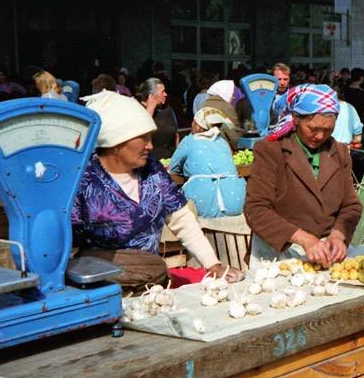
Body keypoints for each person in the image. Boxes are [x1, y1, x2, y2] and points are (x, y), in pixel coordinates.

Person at [71, 91, 241, 290]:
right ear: (115, 142)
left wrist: (214, 265)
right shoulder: (84, 180)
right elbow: (66, 243)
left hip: (151, 285)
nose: (150, 146)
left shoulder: (152, 170)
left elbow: (182, 220)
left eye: (150, 138)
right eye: (142, 139)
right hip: (101, 290)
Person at [244, 84, 362, 267]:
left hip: (325, 253)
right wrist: (304, 239)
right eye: (313, 128)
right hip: (279, 254)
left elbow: (351, 205)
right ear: (296, 119)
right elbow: (256, 209)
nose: (320, 136)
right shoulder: (271, 150)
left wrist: (339, 234)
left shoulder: (339, 152)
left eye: (328, 129)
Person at [168, 106, 246, 218]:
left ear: (199, 127)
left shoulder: (189, 141)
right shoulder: (222, 142)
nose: (191, 125)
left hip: (204, 204)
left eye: (194, 122)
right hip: (237, 201)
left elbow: (173, 168)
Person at [136, 77, 178, 160]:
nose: (165, 94)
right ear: (152, 95)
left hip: (170, 159)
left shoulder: (167, 109)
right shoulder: (138, 110)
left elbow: (176, 135)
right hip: (150, 160)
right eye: (162, 92)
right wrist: (151, 107)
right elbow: (142, 133)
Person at [198, 80, 242, 151]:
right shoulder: (226, 107)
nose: (233, 97)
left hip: (203, 147)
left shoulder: (204, 104)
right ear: (225, 92)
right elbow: (234, 135)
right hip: (222, 149)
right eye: (232, 94)